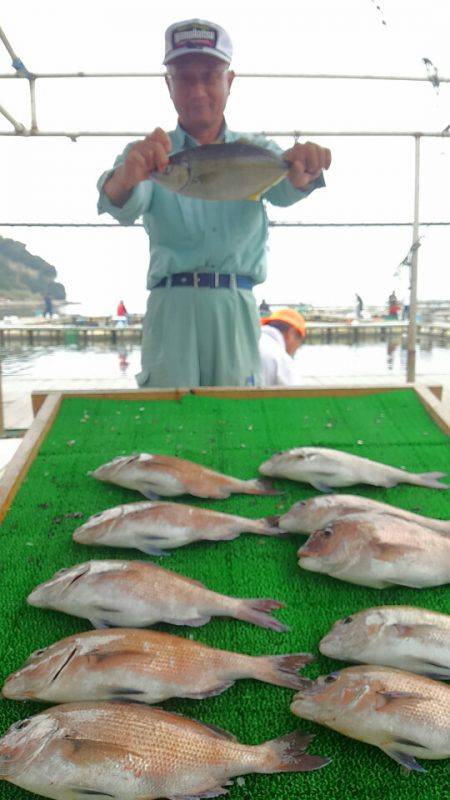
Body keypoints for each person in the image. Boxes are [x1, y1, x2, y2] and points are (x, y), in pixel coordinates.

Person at [97, 18, 331, 388]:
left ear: (230, 81)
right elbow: (122, 204)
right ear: (168, 85)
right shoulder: (153, 156)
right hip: (171, 307)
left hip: (234, 304)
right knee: (168, 423)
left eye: (209, 75)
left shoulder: (258, 151)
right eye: (185, 78)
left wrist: (305, 173)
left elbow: (285, 190)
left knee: (235, 421)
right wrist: (127, 175)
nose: (198, 90)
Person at [259, 307, 306, 386]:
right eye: (299, 342)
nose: (296, 350)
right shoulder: (281, 358)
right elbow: (298, 393)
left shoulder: (249, 343)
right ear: (291, 333)